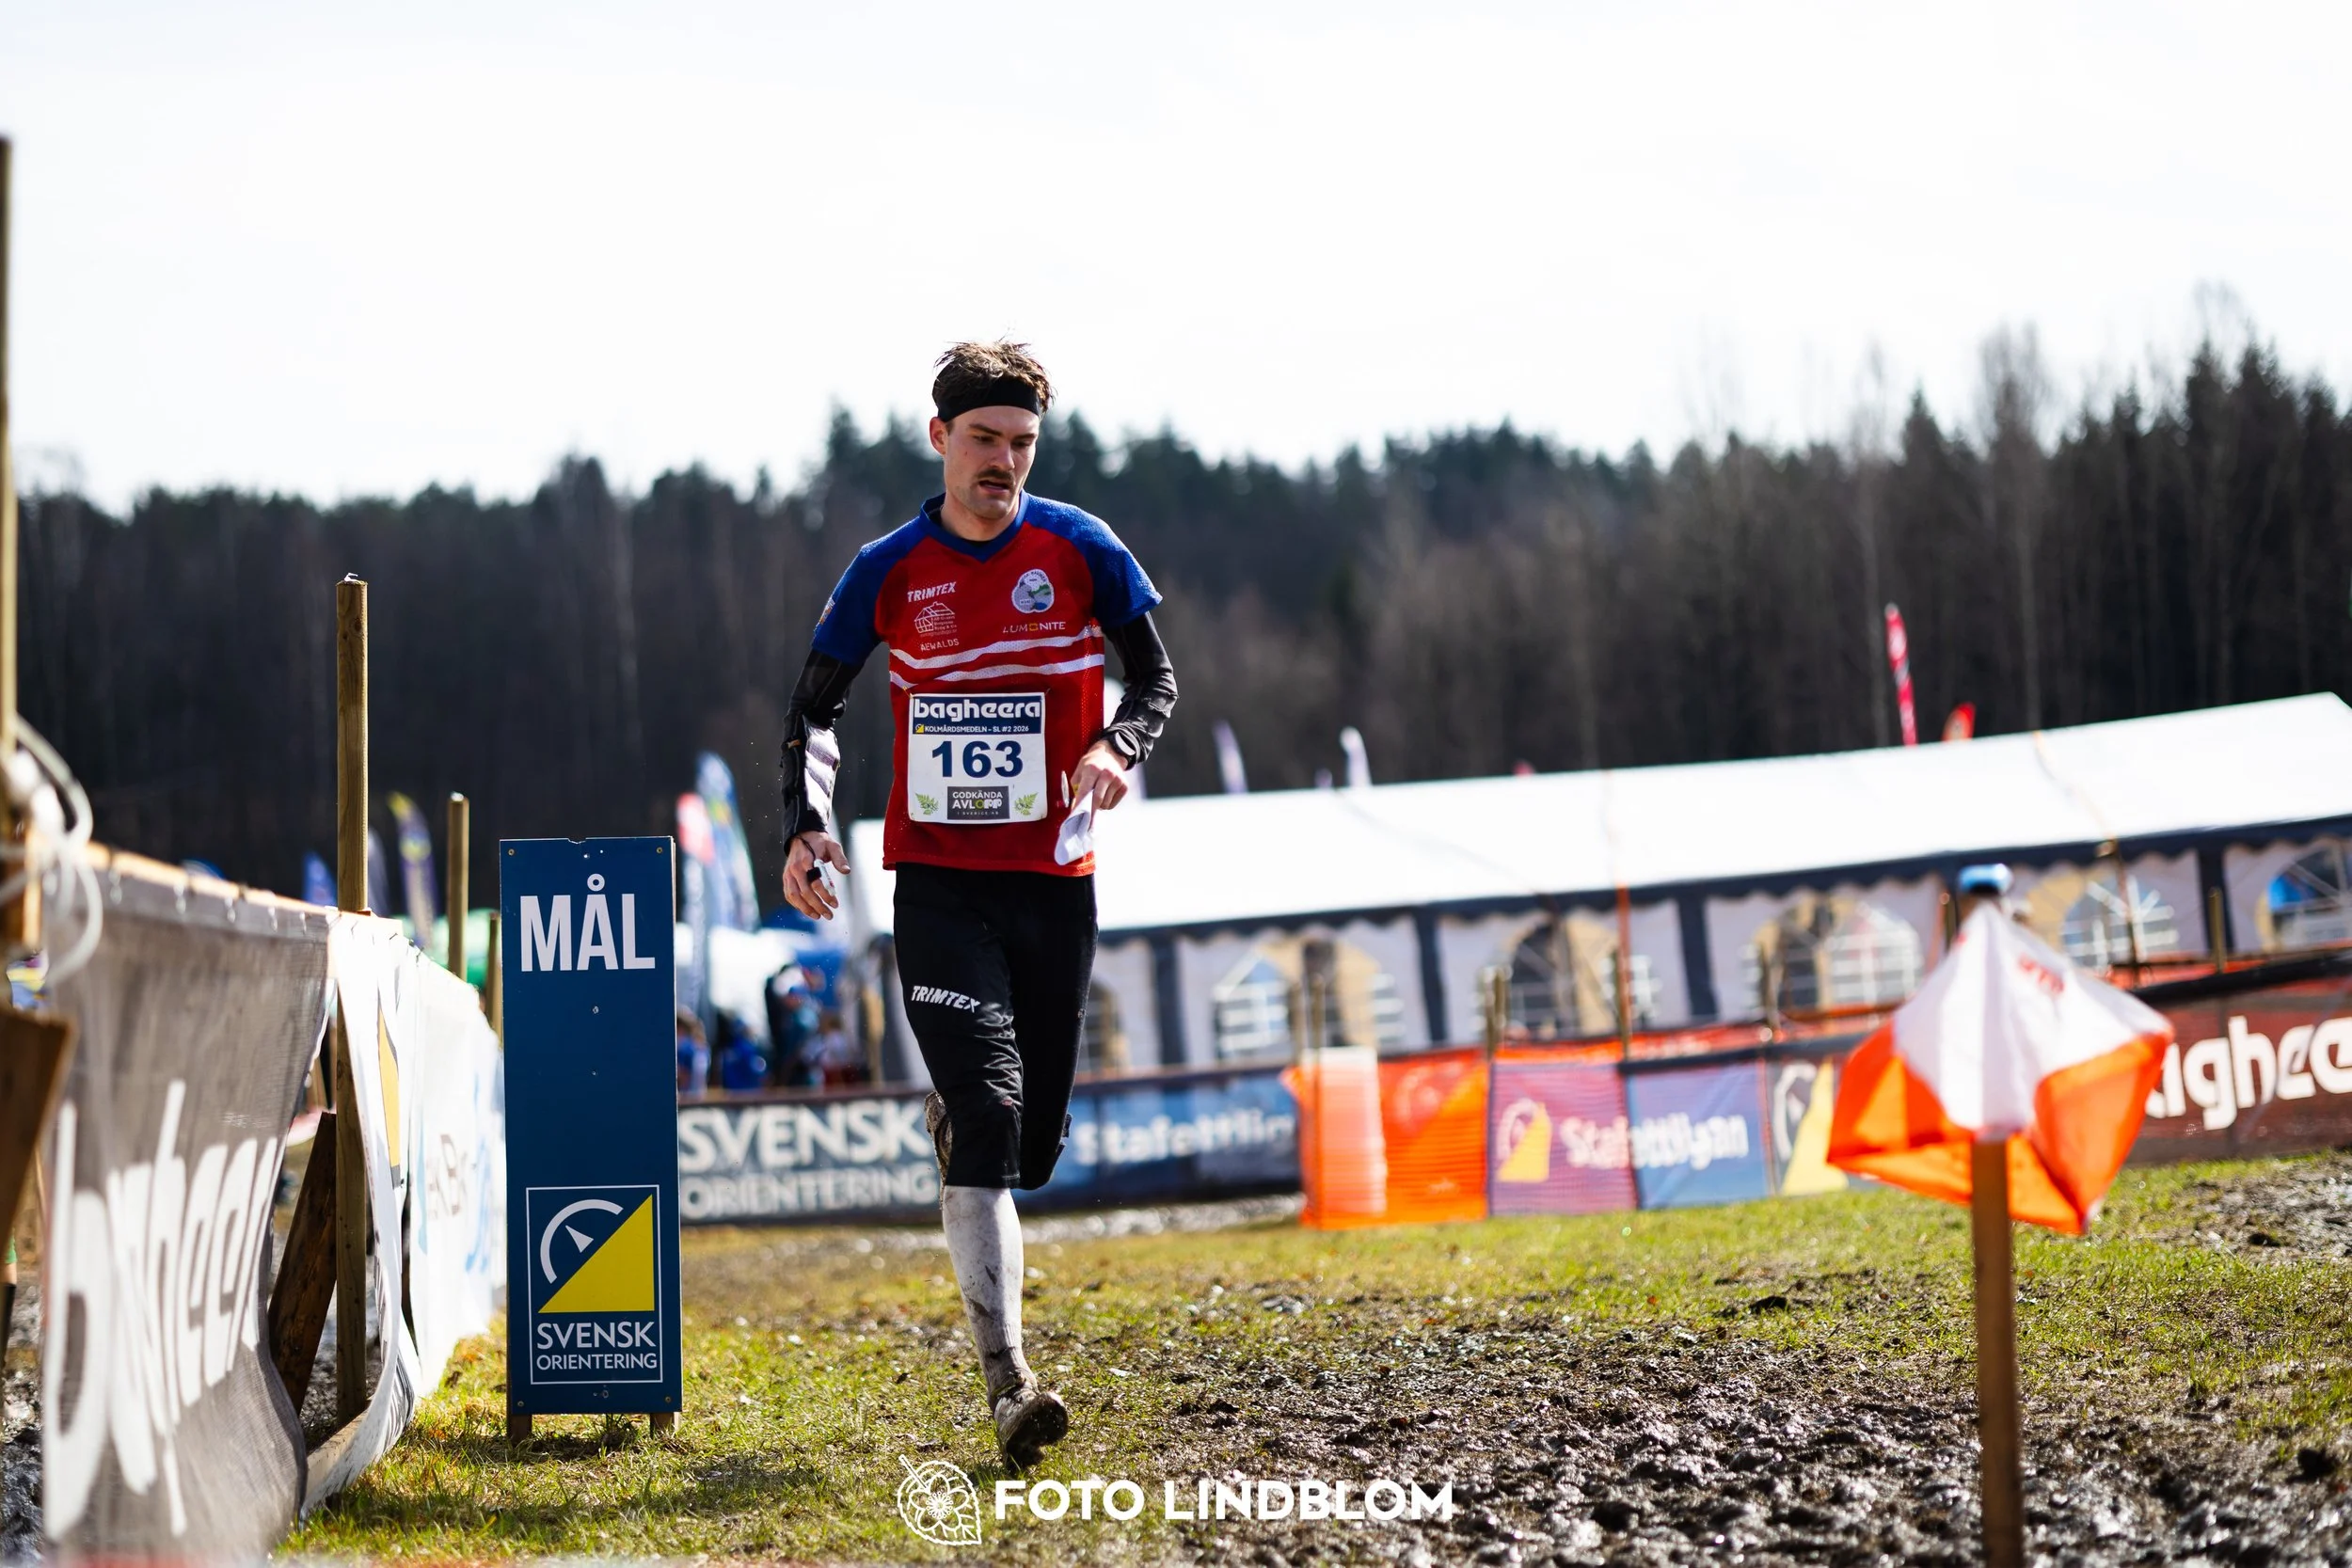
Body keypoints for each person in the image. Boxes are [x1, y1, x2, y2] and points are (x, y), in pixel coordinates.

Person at [775, 341, 1176, 1467]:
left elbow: (1155, 679)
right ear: (940, 437)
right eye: (985, 439)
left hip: (1055, 884)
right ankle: (1010, 1385)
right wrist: (804, 827)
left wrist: (1115, 745)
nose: (1004, 461)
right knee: (990, 1118)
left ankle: (968, 1127)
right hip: (942, 888)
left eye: (1022, 444)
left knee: (1029, 1141)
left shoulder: (1083, 547)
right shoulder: (887, 567)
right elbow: (813, 710)